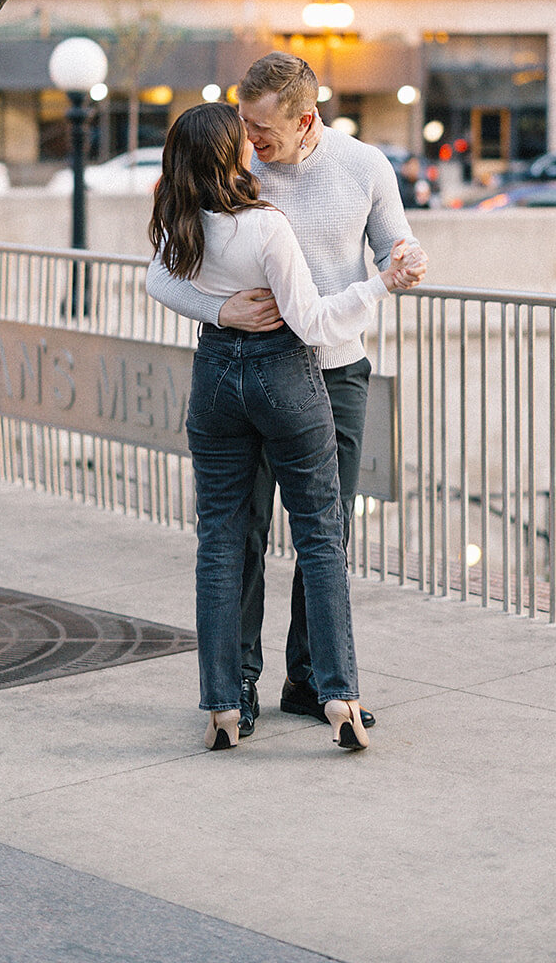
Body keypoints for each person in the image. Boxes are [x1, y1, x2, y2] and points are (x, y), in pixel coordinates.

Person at [146, 53, 427, 739]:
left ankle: (309, 680)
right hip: (259, 369)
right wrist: (221, 312)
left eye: (262, 129)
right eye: (244, 125)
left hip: (336, 371)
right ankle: (239, 684)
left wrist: (407, 257)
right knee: (242, 532)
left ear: (306, 120)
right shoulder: (234, 165)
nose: (250, 139)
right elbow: (164, 271)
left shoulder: (365, 167)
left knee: (326, 534)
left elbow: (395, 244)